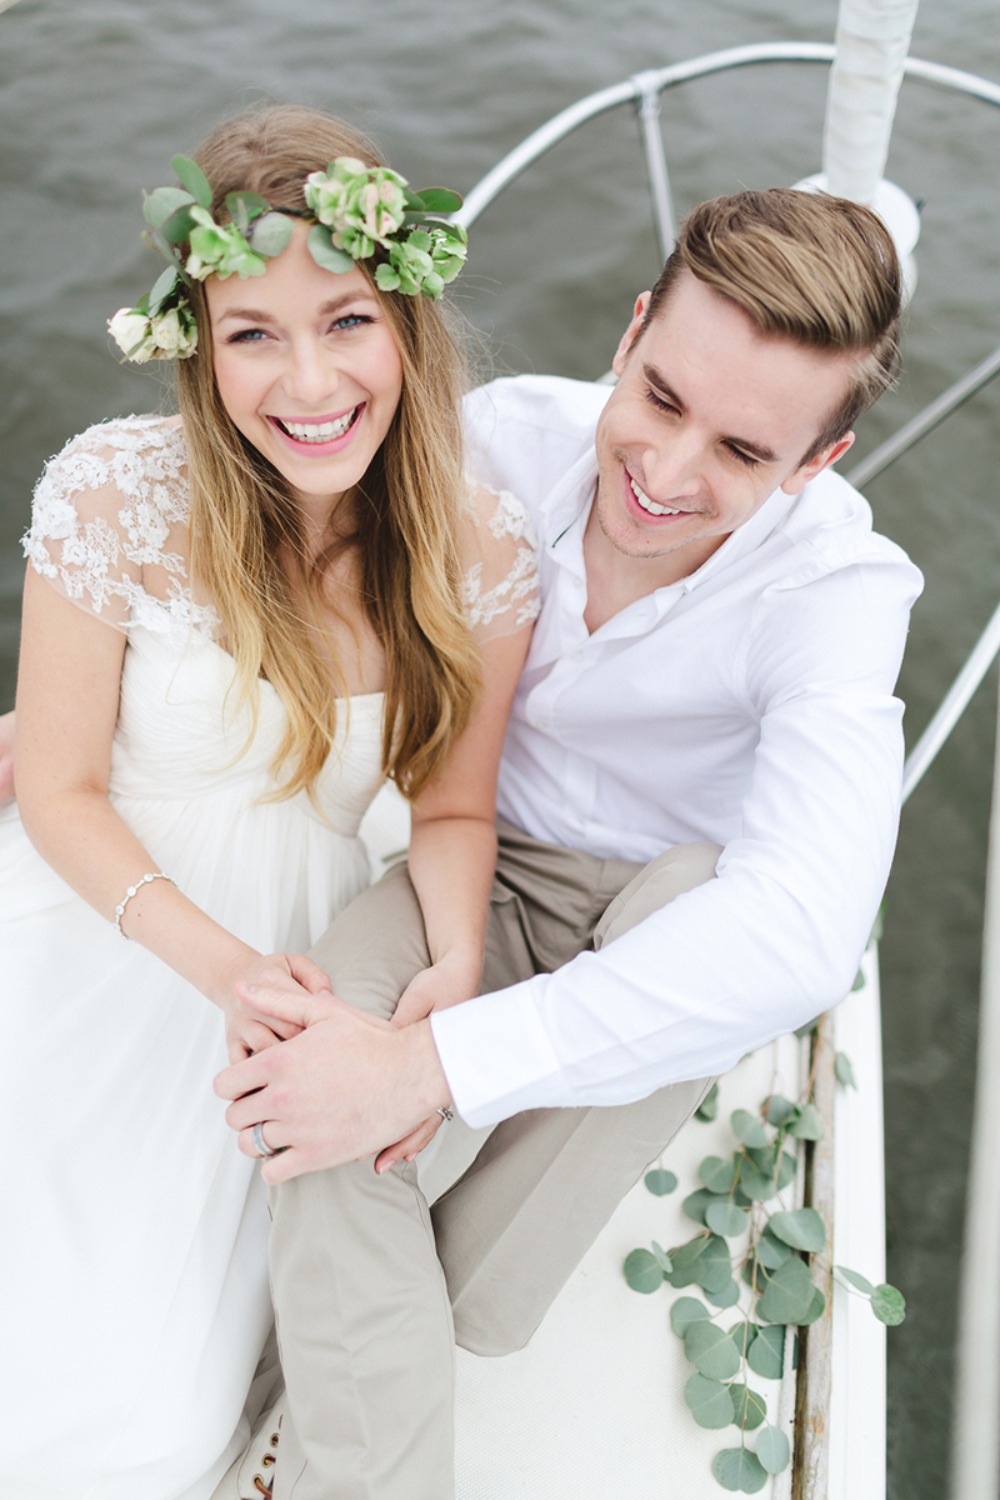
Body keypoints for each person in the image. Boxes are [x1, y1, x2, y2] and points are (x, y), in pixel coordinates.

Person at [212, 187, 924, 1500]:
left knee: (712, 908)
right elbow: (277, 559)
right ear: (635, 327)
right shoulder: (498, 440)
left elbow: (806, 932)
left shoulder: (840, 594)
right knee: (304, 1069)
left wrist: (435, 1065)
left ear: (817, 463)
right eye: (659, 399)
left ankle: (392, 1345)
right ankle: (380, 1434)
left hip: (661, 899)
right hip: (459, 847)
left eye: (742, 452)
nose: (664, 472)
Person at [0, 104, 539, 1500]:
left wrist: (458, 967)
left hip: (303, 960)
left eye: (346, 320)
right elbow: (55, 786)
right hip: (106, 918)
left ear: (406, 323)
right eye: (254, 333)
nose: (309, 380)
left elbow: (454, 809)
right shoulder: (114, 499)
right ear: (201, 349)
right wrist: (227, 970)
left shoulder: (480, 551)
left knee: (141, 1426)